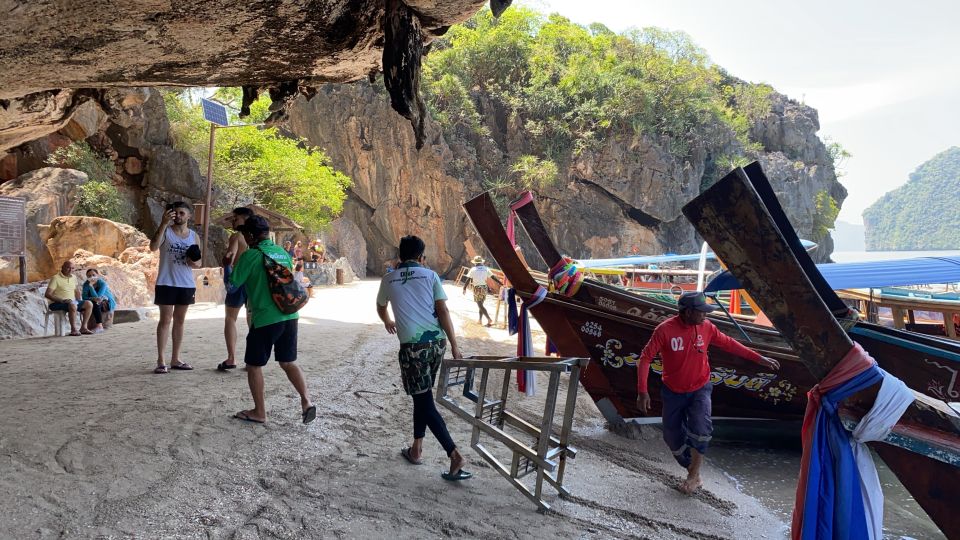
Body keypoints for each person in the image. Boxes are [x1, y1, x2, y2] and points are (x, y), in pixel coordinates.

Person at [635, 291, 781, 494]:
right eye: (701, 311)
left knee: (701, 429)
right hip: (673, 391)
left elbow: (730, 344)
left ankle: (693, 476)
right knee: (672, 438)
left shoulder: (707, 327)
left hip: (700, 388)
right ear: (687, 312)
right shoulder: (664, 330)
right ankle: (692, 469)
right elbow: (645, 358)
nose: (705, 315)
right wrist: (642, 392)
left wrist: (759, 358)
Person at [376, 235, 471, 481]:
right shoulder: (430, 276)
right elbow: (443, 310)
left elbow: (380, 305)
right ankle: (416, 449)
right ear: (421, 256)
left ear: (400, 255)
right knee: (423, 395)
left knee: (424, 399)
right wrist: (454, 345)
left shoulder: (388, 278)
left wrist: (387, 320)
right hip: (436, 344)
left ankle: (454, 454)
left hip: (412, 348)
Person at [228, 215, 316, 425]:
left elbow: (232, 286)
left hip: (265, 317)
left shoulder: (250, 255)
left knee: (254, 365)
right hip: (290, 314)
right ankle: (307, 401)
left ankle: (259, 411)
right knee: (287, 361)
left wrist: (227, 266)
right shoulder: (283, 253)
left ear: (249, 235)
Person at [150, 201, 202, 374]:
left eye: (182, 213)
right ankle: (161, 360)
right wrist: (163, 223)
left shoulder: (194, 236)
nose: (178, 216)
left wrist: (192, 259)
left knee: (179, 321)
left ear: (189, 216)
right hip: (166, 282)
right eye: (175, 213)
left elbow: (198, 263)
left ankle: (176, 359)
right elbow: (153, 247)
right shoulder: (166, 231)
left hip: (186, 284)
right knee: (165, 320)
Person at [219, 207, 254, 371]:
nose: (233, 221)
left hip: (238, 281)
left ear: (245, 219)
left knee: (230, 319)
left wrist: (226, 264)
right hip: (253, 282)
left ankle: (231, 358)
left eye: (236, 218)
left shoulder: (237, 236)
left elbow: (230, 256)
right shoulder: (256, 238)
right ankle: (252, 360)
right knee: (252, 321)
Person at [44, 260, 95, 336]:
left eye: (72, 268)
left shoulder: (74, 277)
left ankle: (83, 328)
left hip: (72, 302)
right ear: (62, 267)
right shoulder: (55, 278)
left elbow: (76, 291)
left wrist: (79, 301)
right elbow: (47, 294)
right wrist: (62, 300)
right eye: (68, 268)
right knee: (72, 304)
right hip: (57, 303)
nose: (71, 270)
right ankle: (73, 329)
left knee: (89, 303)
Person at [461, 255, 502, 327]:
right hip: (484, 288)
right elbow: (493, 277)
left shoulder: (473, 269)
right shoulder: (486, 269)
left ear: (475, 263)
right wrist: (500, 283)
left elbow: (468, 279)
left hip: (477, 288)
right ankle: (480, 320)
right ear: (481, 262)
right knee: (481, 304)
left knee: (480, 305)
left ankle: (489, 319)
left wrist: (464, 288)